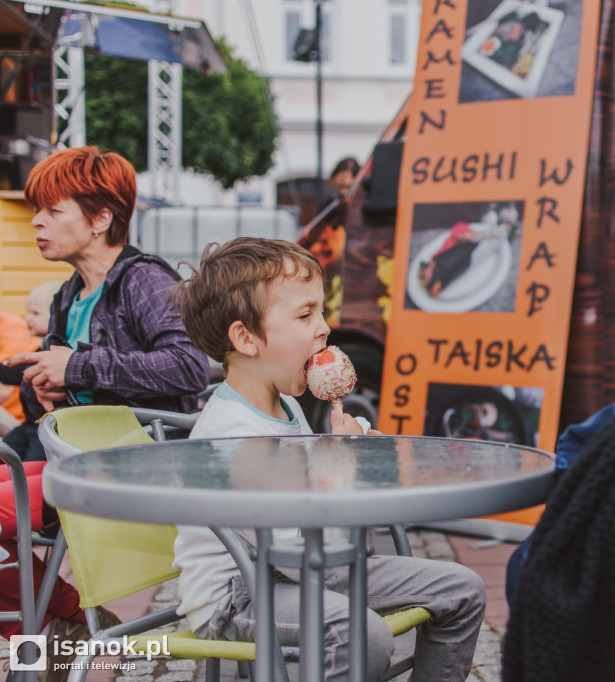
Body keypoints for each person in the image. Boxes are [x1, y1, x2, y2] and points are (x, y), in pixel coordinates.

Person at [173, 237, 485, 682]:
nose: (324, 328)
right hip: (238, 595)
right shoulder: (237, 435)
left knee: (462, 591)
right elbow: (303, 554)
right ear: (245, 338)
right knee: (364, 635)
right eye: (305, 315)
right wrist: (340, 468)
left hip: (300, 572)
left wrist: (353, 464)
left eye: (321, 311)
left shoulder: (288, 408)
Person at [2, 147, 210, 460]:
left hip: (138, 464)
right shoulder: (66, 296)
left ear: (101, 219)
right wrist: (41, 387)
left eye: (53, 211)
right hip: (78, 455)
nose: (36, 222)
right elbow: (45, 406)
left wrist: (75, 367)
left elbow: (189, 367)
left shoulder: (144, 279)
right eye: (37, 211)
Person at [1, 281, 65, 455]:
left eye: (35, 313)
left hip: (48, 427)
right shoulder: (39, 348)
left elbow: (15, 373)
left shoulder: (57, 352)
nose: (27, 318)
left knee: (32, 464)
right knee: (7, 452)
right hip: (29, 424)